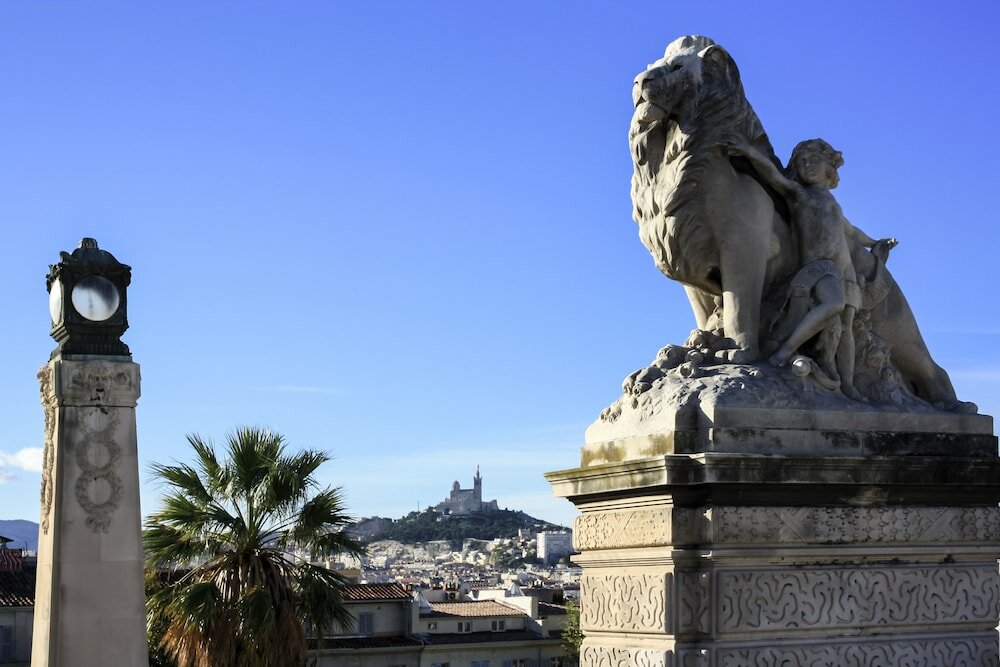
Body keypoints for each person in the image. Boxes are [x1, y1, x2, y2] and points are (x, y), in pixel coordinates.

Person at [726, 138, 896, 400]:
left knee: (846, 328)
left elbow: (851, 232)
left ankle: (847, 384)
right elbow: (773, 175)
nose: (808, 165)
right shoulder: (799, 194)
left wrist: (874, 243)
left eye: (814, 160)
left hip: (845, 271)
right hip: (819, 268)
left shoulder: (832, 202)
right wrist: (749, 152)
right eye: (803, 162)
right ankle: (787, 349)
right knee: (833, 304)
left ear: (830, 167)